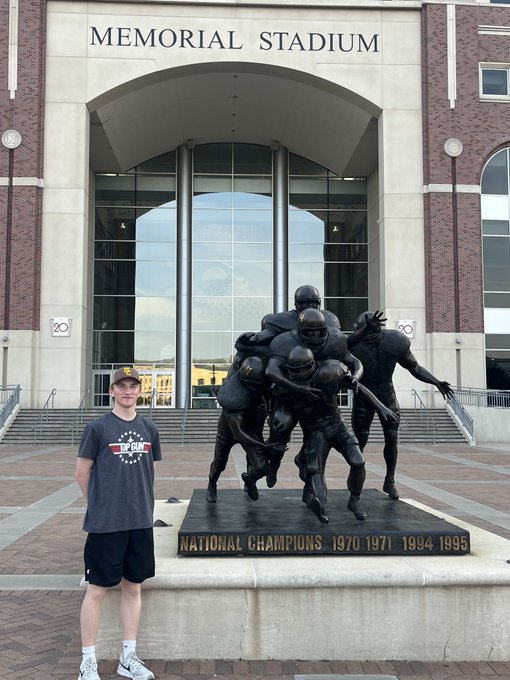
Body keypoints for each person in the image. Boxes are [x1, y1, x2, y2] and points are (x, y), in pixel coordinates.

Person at [75, 366, 161, 680]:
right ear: (111, 391)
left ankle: (128, 658)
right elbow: (81, 474)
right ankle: (88, 662)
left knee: (133, 588)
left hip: (140, 522)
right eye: (121, 386)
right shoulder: (97, 428)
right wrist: (99, 505)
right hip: (105, 525)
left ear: (139, 391)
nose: (127, 391)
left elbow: (149, 472)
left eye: (133, 386)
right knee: (96, 591)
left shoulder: (149, 428)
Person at [349, 312, 454, 500]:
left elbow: (414, 367)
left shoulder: (394, 342)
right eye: (365, 331)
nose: (368, 336)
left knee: (391, 438)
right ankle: (356, 477)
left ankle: (390, 479)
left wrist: (436, 382)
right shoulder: (352, 344)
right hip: (363, 396)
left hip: (386, 394)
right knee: (360, 441)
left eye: (373, 331)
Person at [264, 308, 364, 485]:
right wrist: (298, 388)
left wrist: (356, 376)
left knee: (316, 430)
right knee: (280, 426)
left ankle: (304, 459)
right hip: (290, 393)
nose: (315, 335)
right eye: (310, 331)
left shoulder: (335, 339)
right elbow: (271, 370)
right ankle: (274, 465)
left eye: (319, 330)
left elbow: (354, 361)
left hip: (316, 393)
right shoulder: (284, 341)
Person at [206, 355, 273, 503]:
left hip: (252, 429)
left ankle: (250, 480)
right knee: (219, 463)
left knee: (261, 467)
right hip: (229, 432)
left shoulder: (261, 391)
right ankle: (212, 483)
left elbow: (238, 359)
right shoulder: (232, 401)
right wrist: (263, 445)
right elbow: (240, 434)